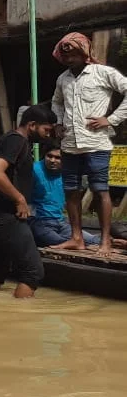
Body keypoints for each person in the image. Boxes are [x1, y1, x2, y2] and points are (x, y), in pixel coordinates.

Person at [50, 32, 127, 256]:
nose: (69, 58)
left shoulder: (103, 73)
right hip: (69, 143)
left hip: (96, 143)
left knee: (100, 190)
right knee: (71, 190)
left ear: (84, 53)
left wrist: (111, 119)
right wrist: (58, 122)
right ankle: (77, 238)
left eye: (73, 54)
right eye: (65, 55)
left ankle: (105, 241)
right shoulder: (63, 79)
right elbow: (56, 102)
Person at [0, 105, 57, 298]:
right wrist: (19, 198)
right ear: (32, 125)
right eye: (46, 130)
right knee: (33, 272)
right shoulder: (17, 141)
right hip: (4, 215)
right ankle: (19, 316)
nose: (48, 135)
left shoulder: (7, 139)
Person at [30, 142, 100, 247]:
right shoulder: (34, 170)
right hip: (39, 222)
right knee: (61, 243)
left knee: (94, 240)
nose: (52, 160)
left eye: (57, 158)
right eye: (49, 156)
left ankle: (117, 242)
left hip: (60, 222)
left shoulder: (68, 173)